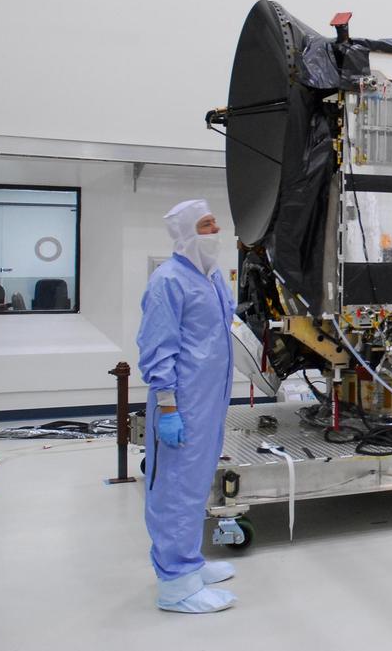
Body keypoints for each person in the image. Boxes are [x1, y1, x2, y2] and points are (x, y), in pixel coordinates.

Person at [137, 199, 238, 614]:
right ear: (185, 233)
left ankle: (190, 563)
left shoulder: (213, 278)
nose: (214, 232)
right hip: (180, 403)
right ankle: (176, 583)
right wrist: (167, 408)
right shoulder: (168, 281)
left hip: (209, 400)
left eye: (215, 224)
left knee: (195, 485)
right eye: (206, 225)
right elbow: (158, 349)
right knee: (175, 489)